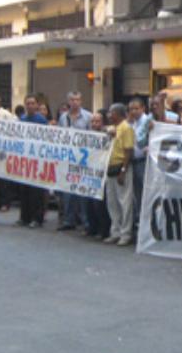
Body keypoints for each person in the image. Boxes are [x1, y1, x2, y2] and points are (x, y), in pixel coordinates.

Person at [57, 91, 93, 232]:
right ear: (68, 101)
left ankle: (86, 221)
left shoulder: (88, 117)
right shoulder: (63, 117)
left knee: (83, 192)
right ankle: (69, 220)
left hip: (83, 159)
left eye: (77, 100)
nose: (75, 102)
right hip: (68, 158)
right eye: (72, 100)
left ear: (81, 101)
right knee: (68, 191)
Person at [104, 103, 135, 246]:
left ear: (119, 114)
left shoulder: (126, 128)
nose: (109, 115)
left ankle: (126, 233)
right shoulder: (113, 128)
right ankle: (115, 231)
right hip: (110, 167)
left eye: (112, 112)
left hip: (121, 167)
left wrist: (123, 170)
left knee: (124, 202)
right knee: (112, 202)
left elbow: (128, 150)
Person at [16, 94, 48, 228]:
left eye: (32, 103)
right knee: (24, 190)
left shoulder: (41, 120)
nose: (30, 106)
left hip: (37, 159)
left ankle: (37, 218)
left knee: (37, 191)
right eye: (28, 103)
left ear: (36, 105)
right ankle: (24, 217)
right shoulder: (22, 119)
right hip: (25, 159)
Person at [127, 97, 151, 235]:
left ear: (143, 108)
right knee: (136, 194)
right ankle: (139, 223)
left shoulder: (148, 121)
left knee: (144, 192)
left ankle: (146, 224)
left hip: (143, 161)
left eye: (136, 108)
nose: (134, 111)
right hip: (133, 161)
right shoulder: (132, 123)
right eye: (131, 109)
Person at [87, 110, 112, 239]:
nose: (94, 124)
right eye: (92, 121)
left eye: (97, 121)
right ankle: (92, 228)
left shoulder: (107, 134)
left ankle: (104, 230)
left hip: (102, 172)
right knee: (89, 202)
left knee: (100, 203)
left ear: (102, 123)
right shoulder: (86, 135)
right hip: (89, 172)